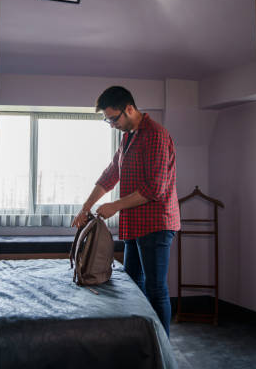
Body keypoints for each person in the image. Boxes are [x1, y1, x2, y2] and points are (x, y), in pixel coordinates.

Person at [72, 86, 180, 336]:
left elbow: (154, 188)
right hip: (135, 224)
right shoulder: (128, 136)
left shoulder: (156, 135)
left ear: (129, 109)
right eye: (107, 120)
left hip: (156, 224)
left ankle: (161, 346)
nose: (111, 125)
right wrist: (86, 208)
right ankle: (139, 340)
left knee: (155, 289)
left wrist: (115, 206)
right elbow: (110, 174)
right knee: (133, 284)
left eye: (113, 119)